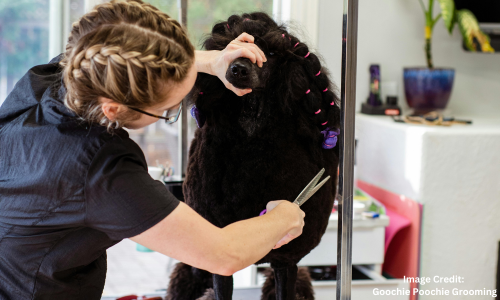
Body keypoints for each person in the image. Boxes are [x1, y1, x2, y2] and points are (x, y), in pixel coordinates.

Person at [0, 1, 305, 299]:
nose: (173, 111)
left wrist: (211, 61)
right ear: (114, 108)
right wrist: (283, 218)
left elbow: (117, 51)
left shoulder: (59, 76)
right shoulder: (102, 172)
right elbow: (224, 254)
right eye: (169, 109)